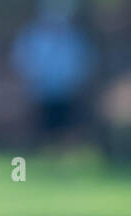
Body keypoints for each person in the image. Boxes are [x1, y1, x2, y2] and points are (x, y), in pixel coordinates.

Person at [10, 0, 93, 146]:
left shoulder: (75, 37)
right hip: (38, 94)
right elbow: (21, 62)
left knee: (66, 129)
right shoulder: (31, 35)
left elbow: (84, 64)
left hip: (68, 94)